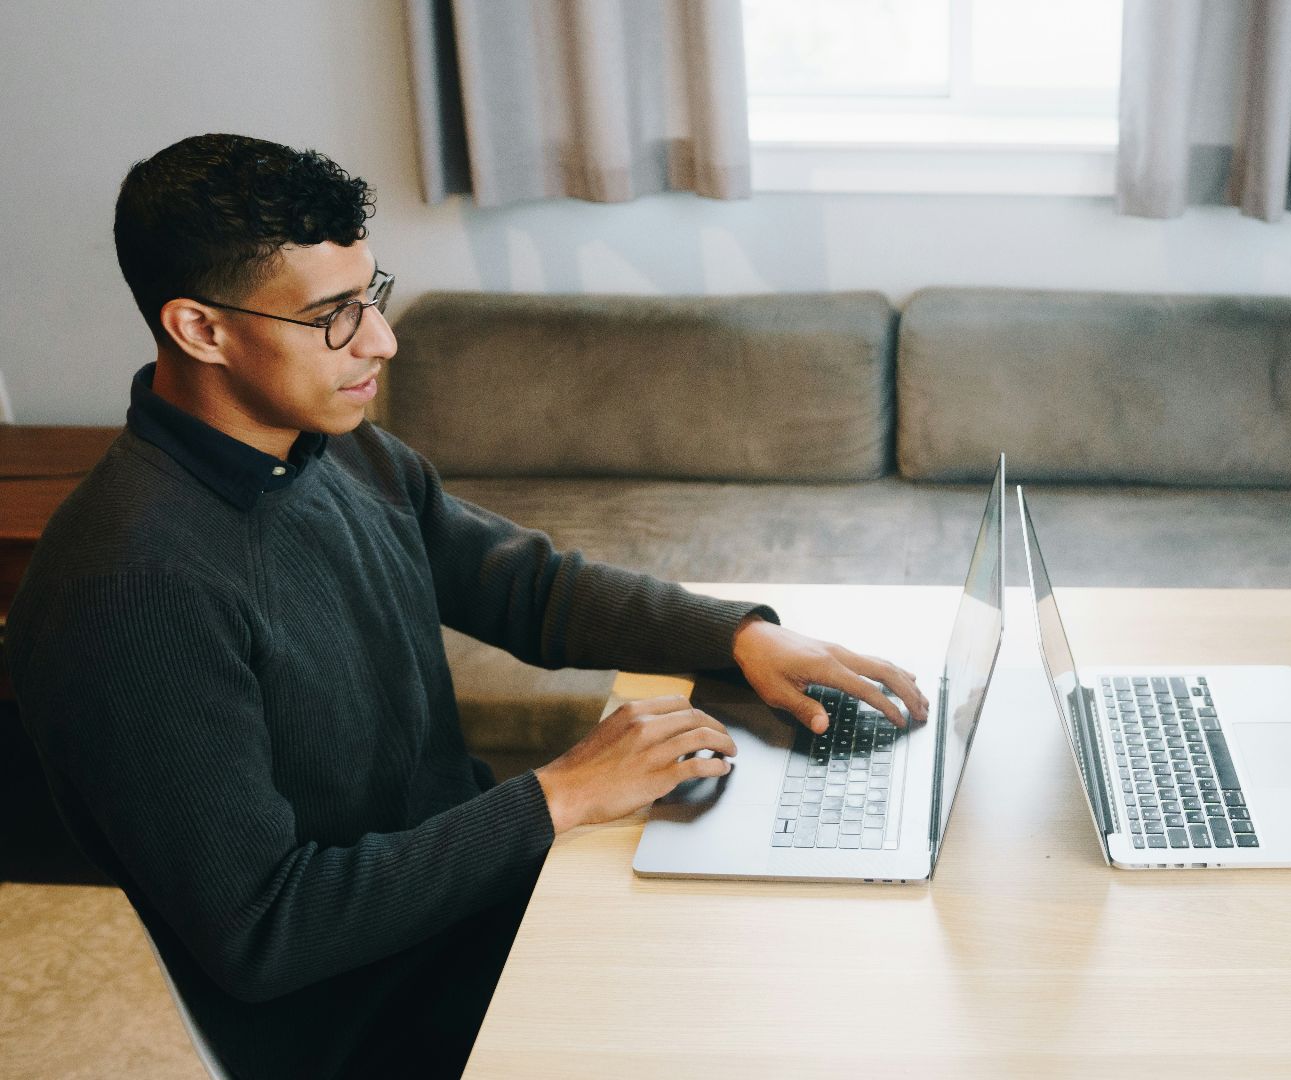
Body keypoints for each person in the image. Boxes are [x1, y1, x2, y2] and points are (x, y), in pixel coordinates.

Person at [3, 133, 929, 1079]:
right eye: (331, 316)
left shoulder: (334, 449)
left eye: (371, 295)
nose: (380, 340)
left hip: (481, 902)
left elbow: (526, 587)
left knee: (814, 937)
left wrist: (738, 637)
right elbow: (265, 930)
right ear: (200, 329)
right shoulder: (131, 593)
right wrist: (558, 793)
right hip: (386, 1017)